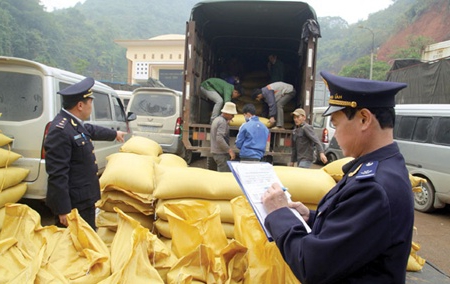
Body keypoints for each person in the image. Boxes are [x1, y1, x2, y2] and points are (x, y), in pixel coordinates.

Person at [262, 71, 414, 283]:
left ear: (364, 119)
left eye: (335, 123)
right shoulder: (380, 168)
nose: (335, 133)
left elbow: (311, 265)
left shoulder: (374, 188)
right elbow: (353, 234)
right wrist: (311, 217)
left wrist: (279, 214)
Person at [44, 77, 127, 230]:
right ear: (80, 105)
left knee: (87, 242)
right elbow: (57, 173)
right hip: (74, 204)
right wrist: (63, 210)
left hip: (84, 200)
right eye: (90, 102)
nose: (91, 106)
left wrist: (114, 134)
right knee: (74, 247)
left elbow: (90, 130)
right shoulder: (60, 130)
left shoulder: (72, 124)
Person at [210, 102, 238, 172]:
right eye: (232, 115)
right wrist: (229, 150)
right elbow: (219, 139)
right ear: (227, 113)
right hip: (221, 153)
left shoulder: (217, 119)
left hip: (216, 151)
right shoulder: (222, 122)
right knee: (223, 174)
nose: (233, 117)